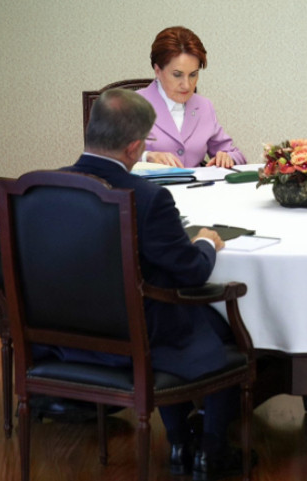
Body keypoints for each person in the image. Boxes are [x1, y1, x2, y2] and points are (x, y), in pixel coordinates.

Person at [53, 88, 248, 480]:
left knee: (163, 312)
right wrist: (206, 242)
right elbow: (191, 272)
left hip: (65, 334)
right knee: (224, 328)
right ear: (134, 148)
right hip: (137, 337)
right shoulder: (147, 197)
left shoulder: (45, 186)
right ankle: (212, 450)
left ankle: (179, 441)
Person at [135, 26, 246, 168]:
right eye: (177, 75)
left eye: (193, 74)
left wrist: (228, 157)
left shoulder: (204, 106)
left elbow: (235, 154)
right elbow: (110, 157)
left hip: (197, 183)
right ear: (158, 71)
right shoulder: (131, 106)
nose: (187, 85)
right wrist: (146, 156)